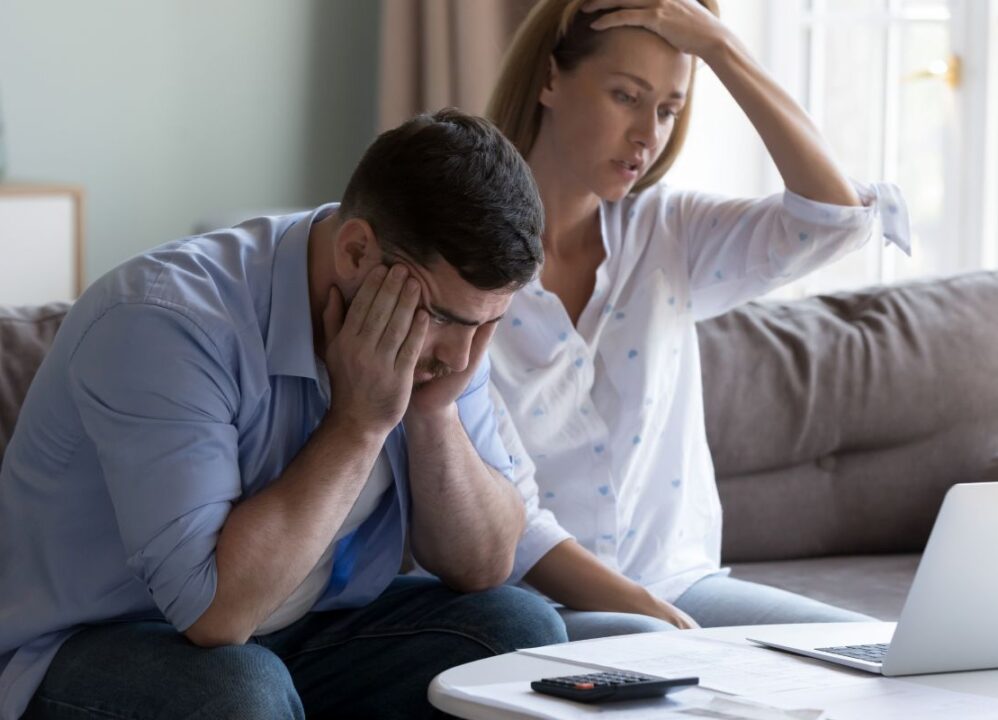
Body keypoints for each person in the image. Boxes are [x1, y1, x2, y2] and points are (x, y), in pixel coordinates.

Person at [0, 108, 568, 720]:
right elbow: (214, 612)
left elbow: (484, 564)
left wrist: (434, 414)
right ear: (355, 252)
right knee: (238, 690)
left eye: (488, 325)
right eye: (446, 320)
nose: (462, 356)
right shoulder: (164, 321)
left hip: (297, 633)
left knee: (514, 631)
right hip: (89, 648)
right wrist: (360, 423)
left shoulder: (446, 333)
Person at [485, 0, 912, 640]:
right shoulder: (465, 266)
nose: (647, 135)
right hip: (534, 606)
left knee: (879, 654)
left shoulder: (671, 233)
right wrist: (657, 621)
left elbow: (835, 218)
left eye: (667, 110)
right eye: (626, 96)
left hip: (681, 588)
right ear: (550, 80)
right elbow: (505, 515)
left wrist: (721, 48)